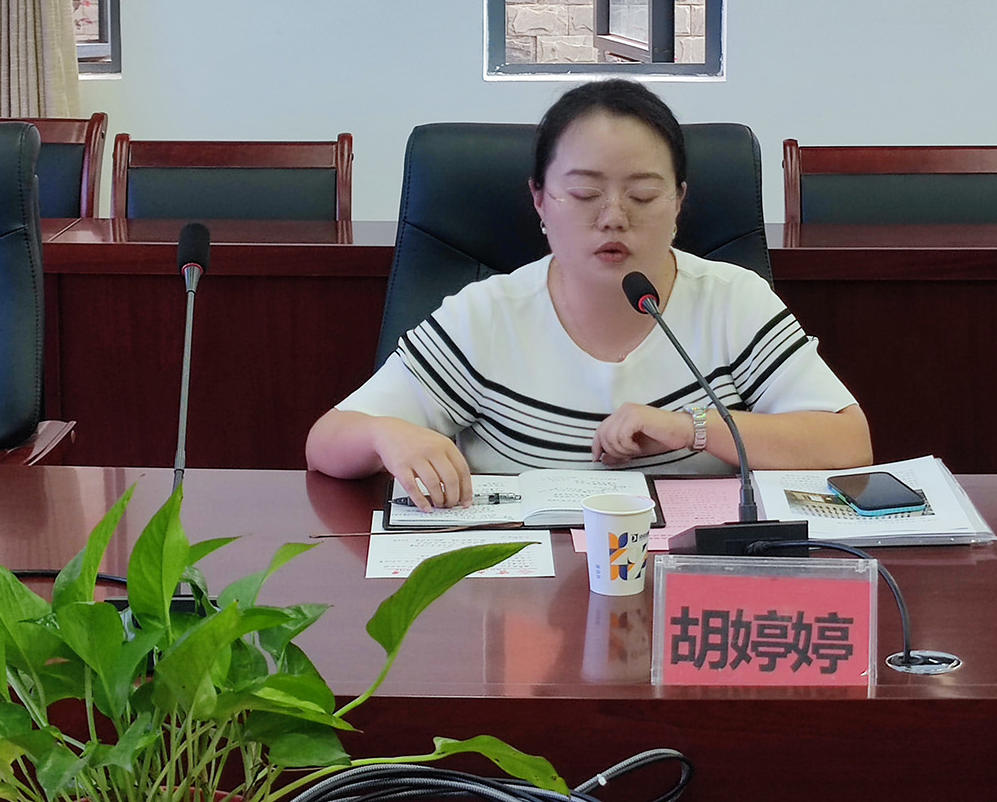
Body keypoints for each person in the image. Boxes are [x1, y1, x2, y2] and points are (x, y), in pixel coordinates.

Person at [306, 80, 871, 509]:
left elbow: (848, 443)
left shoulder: (732, 302)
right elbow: (326, 442)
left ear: (678, 203)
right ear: (540, 200)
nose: (613, 218)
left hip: (687, 595)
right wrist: (385, 433)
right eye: (583, 194)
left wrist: (692, 427)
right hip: (521, 600)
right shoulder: (487, 315)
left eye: (642, 196)